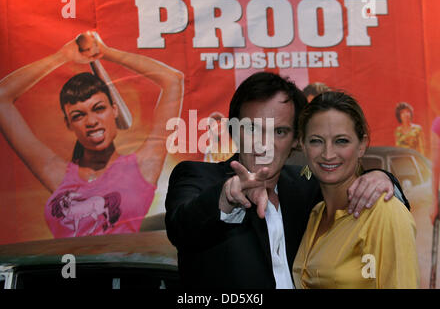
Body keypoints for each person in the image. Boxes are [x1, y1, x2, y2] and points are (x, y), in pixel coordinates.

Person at [165, 72, 408, 289]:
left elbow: (354, 190)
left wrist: (382, 178)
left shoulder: (306, 186)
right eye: (252, 129)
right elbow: (181, 228)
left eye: (279, 131)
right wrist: (226, 198)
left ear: (296, 140)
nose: (264, 144)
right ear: (233, 131)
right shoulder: (197, 177)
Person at [0, 31, 184, 238]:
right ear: (68, 124)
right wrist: (61, 57)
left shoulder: (144, 166)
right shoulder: (58, 174)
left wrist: (106, 53)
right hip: (66, 270)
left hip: (120, 269)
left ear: (114, 110)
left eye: (98, 109)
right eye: (78, 115)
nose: (92, 122)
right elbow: (2, 97)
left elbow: (172, 80)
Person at [292, 92, 419, 288]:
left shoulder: (384, 212)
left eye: (341, 141)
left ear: (362, 145)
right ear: (303, 145)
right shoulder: (315, 214)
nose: (328, 154)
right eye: (316, 140)